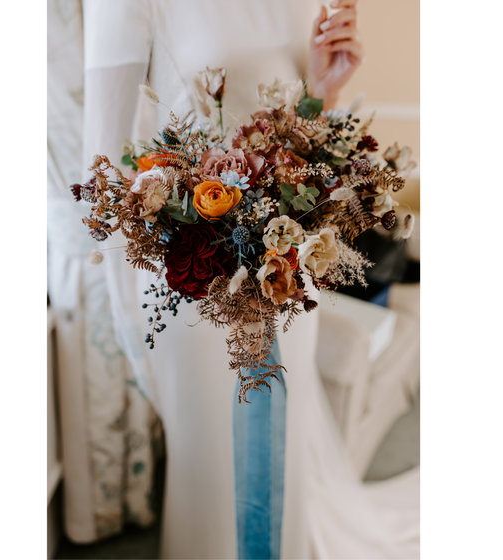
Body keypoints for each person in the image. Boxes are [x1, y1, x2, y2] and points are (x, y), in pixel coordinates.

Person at [81, 1, 419, 557]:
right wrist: (132, 318)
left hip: (287, 270)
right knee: (209, 472)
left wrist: (323, 84)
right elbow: (102, 175)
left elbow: (299, 127)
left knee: (283, 455)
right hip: (192, 279)